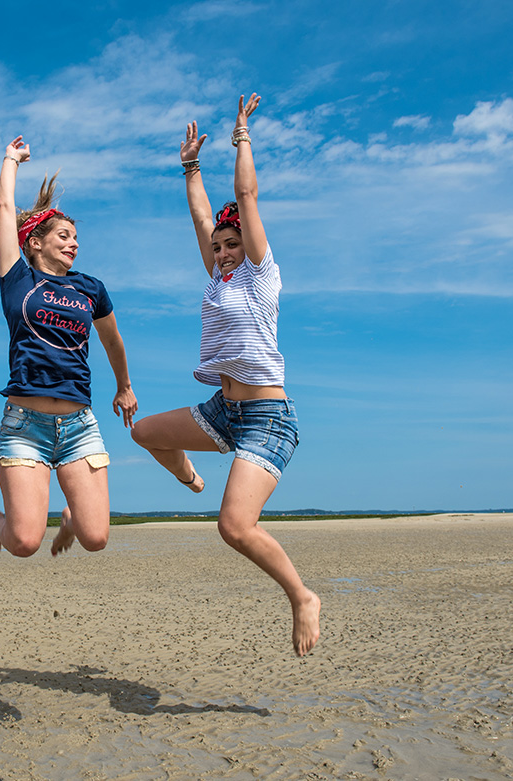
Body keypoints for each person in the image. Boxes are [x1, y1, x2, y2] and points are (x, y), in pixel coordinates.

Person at [130, 95, 322, 656]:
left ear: (250, 245)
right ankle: (192, 480)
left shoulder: (262, 276)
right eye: (217, 247)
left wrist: (242, 135)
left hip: (266, 418)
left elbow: (246, 196)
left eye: (231, 243)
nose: (223, 251)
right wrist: (189, 168)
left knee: (234, 528)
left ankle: (302, 596)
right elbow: (200, 216)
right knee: (144, 432)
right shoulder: (219, 278)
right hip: (222, 410)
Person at [0, 136, 138, 562]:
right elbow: (4, 210)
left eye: (75, 238)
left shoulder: (90, 288)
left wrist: (124, 386)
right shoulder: (18, 280)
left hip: (78, 425)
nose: (74, 243)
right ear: (35, 242)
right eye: (64, 236)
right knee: (26, 543)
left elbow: (111, 340)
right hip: (24, 425)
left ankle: (70, 517)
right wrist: (11, 161)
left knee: (96, 538)